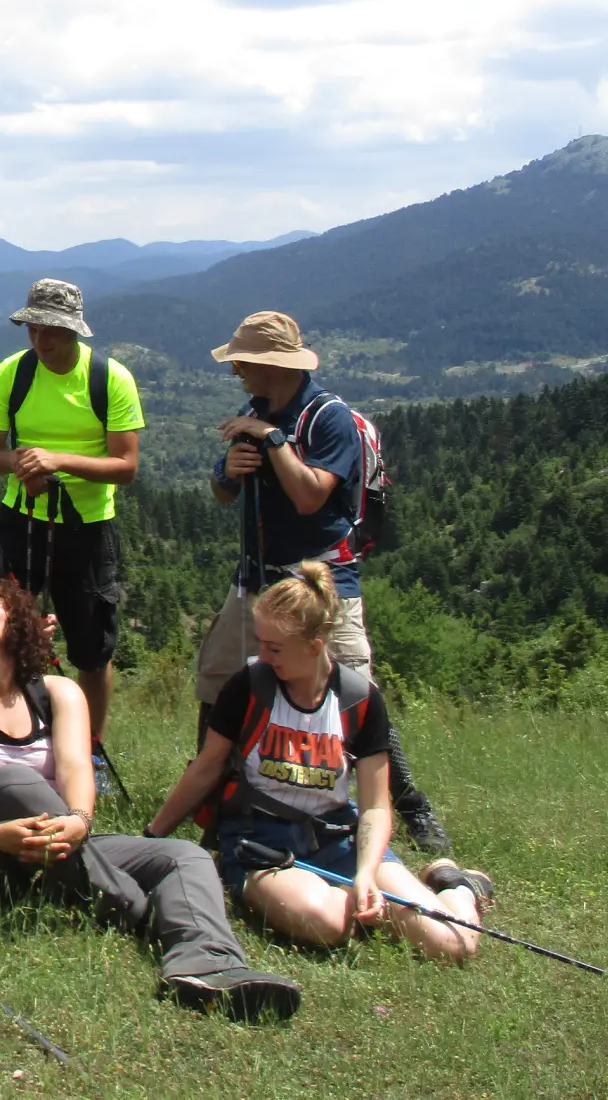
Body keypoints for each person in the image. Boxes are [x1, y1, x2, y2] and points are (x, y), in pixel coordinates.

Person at [0, 574, 302, 1021]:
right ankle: (135, 907)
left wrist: (79, 821)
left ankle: (208, 965)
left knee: (182, 856)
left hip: (58, 844)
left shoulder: (58, 693)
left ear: (18, 622)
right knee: (10, 783)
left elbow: (78, 767)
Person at [194, 310, 450, 852]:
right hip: (258, 578)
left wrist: (273, 441)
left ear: (269, 364)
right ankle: (213, 802)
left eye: (242, 361)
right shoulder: (256, 410)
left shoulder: (326, 417)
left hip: (322, 582)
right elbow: (224, 493)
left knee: (353, 695)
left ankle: (411, 809)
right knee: (218, 681)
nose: (235, 369)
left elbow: (311, 495)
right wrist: (228, 472)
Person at [150, 564, 492, 961]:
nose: (263, 656)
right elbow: (205, 768)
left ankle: (459, 886)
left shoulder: (359, 699)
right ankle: (360, 905)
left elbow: (376, 806)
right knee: (326, 922)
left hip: (339, 839)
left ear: (315, 644)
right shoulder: (247, 687)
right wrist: (153, 839)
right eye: (261, 642)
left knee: (455, 944)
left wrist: (365, 872)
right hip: (261, 841)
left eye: (275, 648)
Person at [0, 278, 143, 748]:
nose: (40, 339)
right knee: (0, 633)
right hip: (20, 517)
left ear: (74, 331)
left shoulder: (110, 378)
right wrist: (19, 461)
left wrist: (57, 461)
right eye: (32, 328)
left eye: (51, 329)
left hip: (88, 527)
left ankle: (89, 750)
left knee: (91, 650)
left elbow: (126, 467)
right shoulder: (10, 374)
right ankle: (6, 737)